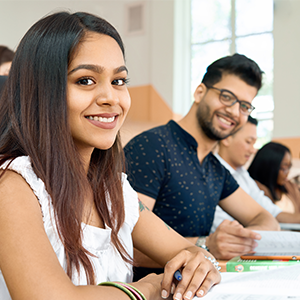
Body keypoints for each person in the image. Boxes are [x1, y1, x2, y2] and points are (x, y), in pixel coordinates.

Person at [0, 11, 221, 300]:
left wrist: (200, 264)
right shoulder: (14, 185)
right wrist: (146, 289)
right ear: (41, 91)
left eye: (119, 81)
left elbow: (189, 251)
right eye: (86, 80)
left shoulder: (114, 188)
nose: (111, 98)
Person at [124, 53, 279, 275]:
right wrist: (205, 246)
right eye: (227, 97)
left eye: (245, 106)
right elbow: (125, 245)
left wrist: (241, 240)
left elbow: (266, 219)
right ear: (199, 93)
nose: (234, 111)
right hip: (151, 290)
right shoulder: (152, 147)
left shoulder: (215, 167)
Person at [212, 116, 300, 233]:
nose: (253, 150)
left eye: (254, 143)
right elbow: (227, 227)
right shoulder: (212, 173)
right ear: (226, 138)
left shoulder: (242, 173)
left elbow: (269, 211)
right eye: (248, 142)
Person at [248, 142, 300, 214]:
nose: (288, 172)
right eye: (284, 168)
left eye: (289, 167)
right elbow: (273, 216)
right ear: (268, 167)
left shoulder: (289, 186)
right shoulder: (255, 189)